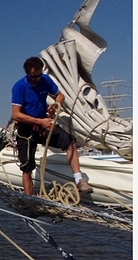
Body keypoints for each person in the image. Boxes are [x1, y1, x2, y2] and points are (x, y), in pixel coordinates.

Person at [11, 57, 93, 196]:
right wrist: (39, 121)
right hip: (26, 130)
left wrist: (55, 105)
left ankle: (79, 180)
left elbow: (60, 96)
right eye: (33, 76)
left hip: (44, 125)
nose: (37, 79)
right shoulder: (19, 87)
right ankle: (29, 200)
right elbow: (16, 115)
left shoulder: (45, 80)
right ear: (27, 73)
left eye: (39, 75)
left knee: (69, 141)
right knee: (26, 167)